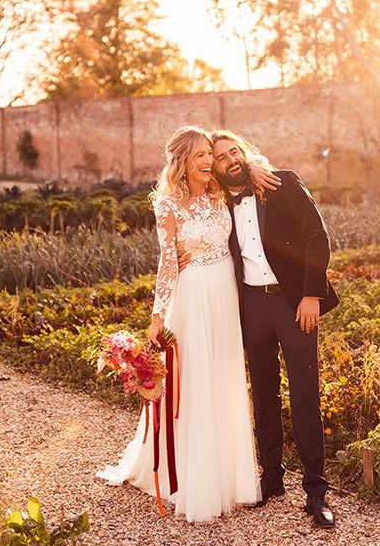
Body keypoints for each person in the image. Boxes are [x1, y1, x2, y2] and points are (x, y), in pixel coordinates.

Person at [96, 125, 277, 523]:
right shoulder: (168, 205)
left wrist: (259, 166)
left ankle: (232, 476)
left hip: (227, 294)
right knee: (194, 382)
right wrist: (157, 318)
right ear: (182, 162)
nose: (209, 162)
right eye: (200, 157)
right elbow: (166, 263)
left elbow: (249, 168)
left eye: (209, 155)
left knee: (225, 376)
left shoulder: (220, 192)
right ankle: (196, 478)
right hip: (193, 296)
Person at [210, 129, 340, 529]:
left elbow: (316, 238)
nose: (231, 159)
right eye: (221, 157)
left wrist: (311, 295)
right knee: (263, 393)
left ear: (246, 154)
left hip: (292, 302)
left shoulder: (280, 181)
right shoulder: (216, 204)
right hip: (251, 305)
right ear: (214, 168)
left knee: (304, 394)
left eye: (236, 152)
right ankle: (271, 479)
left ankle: (316, 492)